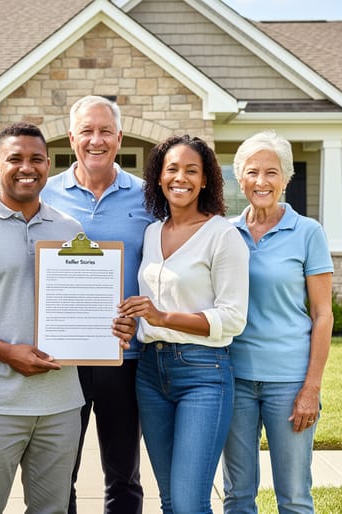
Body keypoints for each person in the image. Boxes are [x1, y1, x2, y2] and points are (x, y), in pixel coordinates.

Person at [0, 122, 134, 513]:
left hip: (62, 403)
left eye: (36, 159)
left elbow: (87, 304)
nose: (27, 167)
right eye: (15, 159)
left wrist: (112, 328)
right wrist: (8, 352)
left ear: (48, 165)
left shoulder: (70, 228)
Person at [119, 135, 249, 514]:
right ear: (158, 178)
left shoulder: (223, 236)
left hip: (203, 374)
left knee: (191, 504)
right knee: (172, 501)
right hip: (150, 372)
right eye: (172, 169)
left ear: (206, 179)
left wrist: (162, 317)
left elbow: (232, 318)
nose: (181, 178)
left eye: (192, 170)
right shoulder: (151, 232)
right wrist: (132, 321)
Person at [40, 95, 153, 514]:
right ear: (72, 138)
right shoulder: (45, 195)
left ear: (119, 137)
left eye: (105, 130)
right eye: (86, 130)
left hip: (124, 354)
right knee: (59, 472)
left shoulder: (147, 197)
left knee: (123, 474)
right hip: (63, 356)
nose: (96, 139)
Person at [220, 130, 334, 514]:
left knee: (295, 497)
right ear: (241, 179)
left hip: (289, 382)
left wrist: (311, 388)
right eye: (253, 172)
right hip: (234, 378)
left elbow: (322, 315)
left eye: (272, 172)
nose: (262, 181)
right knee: (237, 495)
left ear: (285, 178)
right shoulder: (225, 233)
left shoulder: (307, 233)